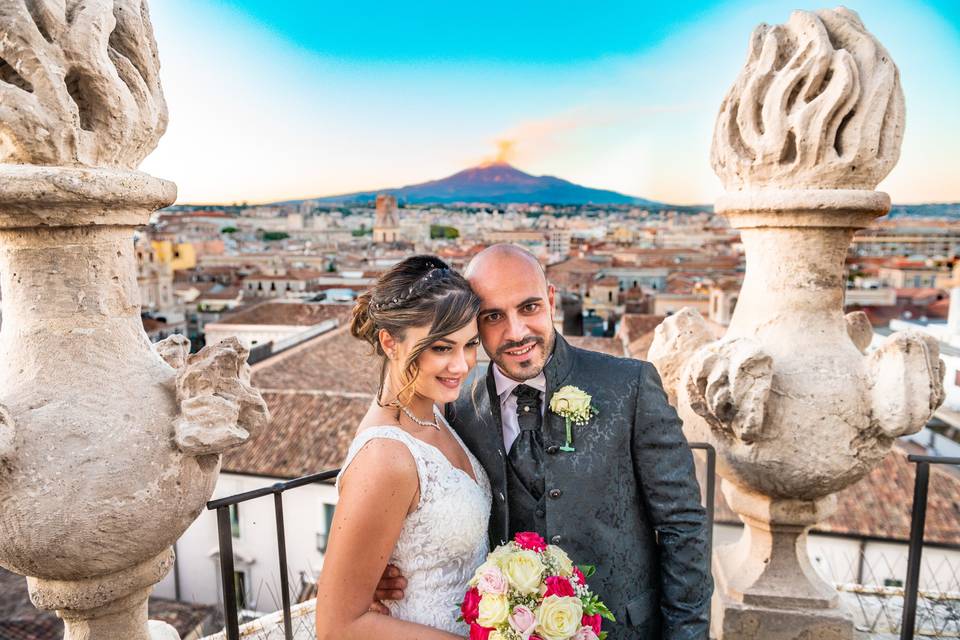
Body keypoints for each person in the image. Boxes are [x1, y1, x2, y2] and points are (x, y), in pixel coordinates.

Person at [376, 244, 713, 639]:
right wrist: (387, 569)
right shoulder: (458, 409)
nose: (516, 332)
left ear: (550, 300)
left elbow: (683, 528)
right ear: (473, 322)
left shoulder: (630, 386)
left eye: (529, 308)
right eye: (494, 316)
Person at [314, 255, 490, 640]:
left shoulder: (434, 415)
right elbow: (337, 626)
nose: (461, 366)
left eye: (470, 345)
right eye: (441, 348)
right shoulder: (385, 458)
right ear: (390, 342)